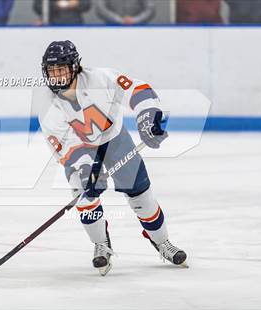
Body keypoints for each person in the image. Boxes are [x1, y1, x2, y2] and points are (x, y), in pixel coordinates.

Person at [36, 40, 187, 276]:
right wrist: (85, 169)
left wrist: (147, 116)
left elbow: (137, 89)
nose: (56, 77)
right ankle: (101, 244)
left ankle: (162, 242)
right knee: (83, 193)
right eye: (51, 71)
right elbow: (64, 145)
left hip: (115, 140)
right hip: (81, 149)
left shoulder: (101, 79)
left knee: (141, 196)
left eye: (61, 70)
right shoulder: (46, 104)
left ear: (75, 67)